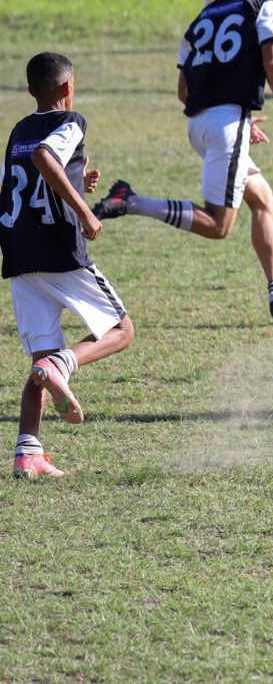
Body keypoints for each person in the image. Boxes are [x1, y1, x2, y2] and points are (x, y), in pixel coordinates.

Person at [92, 0, 273, 322]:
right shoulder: (260, 5)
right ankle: (131, 201)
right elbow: (271, 60)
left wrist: (235, 118)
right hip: (225, 125)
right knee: (217, 225)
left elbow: (184, 89)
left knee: (263, 200)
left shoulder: (198, 22)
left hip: (200, 125)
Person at [2, 53, 136, 478]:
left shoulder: (19, 129)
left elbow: (26, 174)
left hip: (20, 254)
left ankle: (29, 452)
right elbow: (46, 158)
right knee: (120, 330)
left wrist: (78, 181)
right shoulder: (72, 120)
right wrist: (85, 210)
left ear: (31, 92)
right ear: (67, 88)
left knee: (41, 360)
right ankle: (63, 366)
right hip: (60, 251)